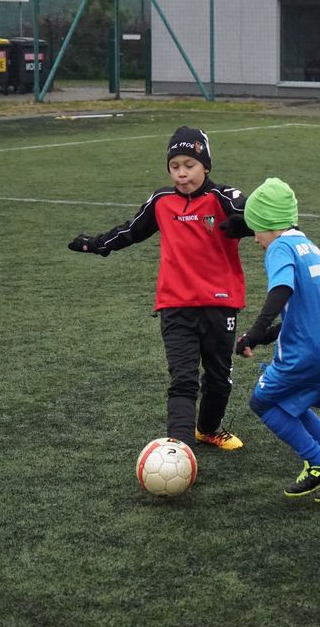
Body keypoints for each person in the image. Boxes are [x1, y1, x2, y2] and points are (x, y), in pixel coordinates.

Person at [68, 126, 254, 450]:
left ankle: (208, 429)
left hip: (220, 304)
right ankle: (179, 449)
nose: (182, 173)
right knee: (183, 379)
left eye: (189, 165)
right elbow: (131, 230)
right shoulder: (161, 201)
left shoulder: (223, 197)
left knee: (218, 379)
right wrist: (97, 244)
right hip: (175, 306)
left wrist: (246, 223)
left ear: (205, 166)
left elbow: (259, 215)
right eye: (174, 166)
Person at [235, 177, 320, 503]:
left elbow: (281, 289)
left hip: (306, 351)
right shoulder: (310, 247)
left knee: (262, 402)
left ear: (270, 223)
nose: (255, 239)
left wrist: (255, 331)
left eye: (256, 229)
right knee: (292, 401)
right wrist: (266, 337)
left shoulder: (280, 247)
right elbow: (309, 310)